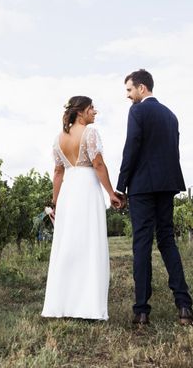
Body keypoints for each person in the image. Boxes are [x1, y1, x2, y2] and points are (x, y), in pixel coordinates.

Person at [116, 69, 193, 326]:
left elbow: (132, 147)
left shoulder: (137, 111)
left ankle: (141, 311)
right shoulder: (171, 116)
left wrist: (121, 185)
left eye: (129, 90)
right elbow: (174, 151)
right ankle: (184, 307)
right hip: (167, 184)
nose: (127, 96)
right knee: (167, 240)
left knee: (141, 244)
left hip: (142, 186)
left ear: (141, 88)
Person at [42, 96, 122, 320]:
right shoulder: (90, 134)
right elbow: (97, 164)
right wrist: (111, 193)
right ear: (81, 112)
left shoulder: (59, 139)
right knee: (90, 243)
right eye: (91, 109)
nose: (95, 112)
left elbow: (58, 173)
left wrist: (55, 203)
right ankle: (88, 307)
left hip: (68, 193)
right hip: (87, 190)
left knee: (68, 245)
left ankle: (62, 305)